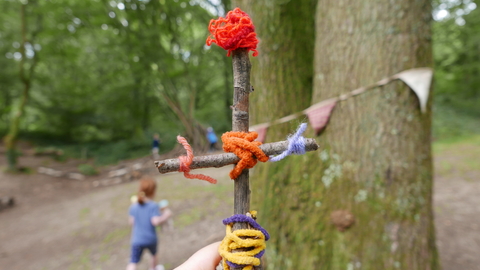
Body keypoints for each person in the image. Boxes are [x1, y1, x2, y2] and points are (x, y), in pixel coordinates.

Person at [127, 177, 172, 270]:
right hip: (150, 239)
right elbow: (155, 221)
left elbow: (131, 222)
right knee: (154, 255)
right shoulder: (153, 206)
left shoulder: (133, 207)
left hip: (137, 240)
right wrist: (166, 215)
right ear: (153, 191)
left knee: (133, 262)